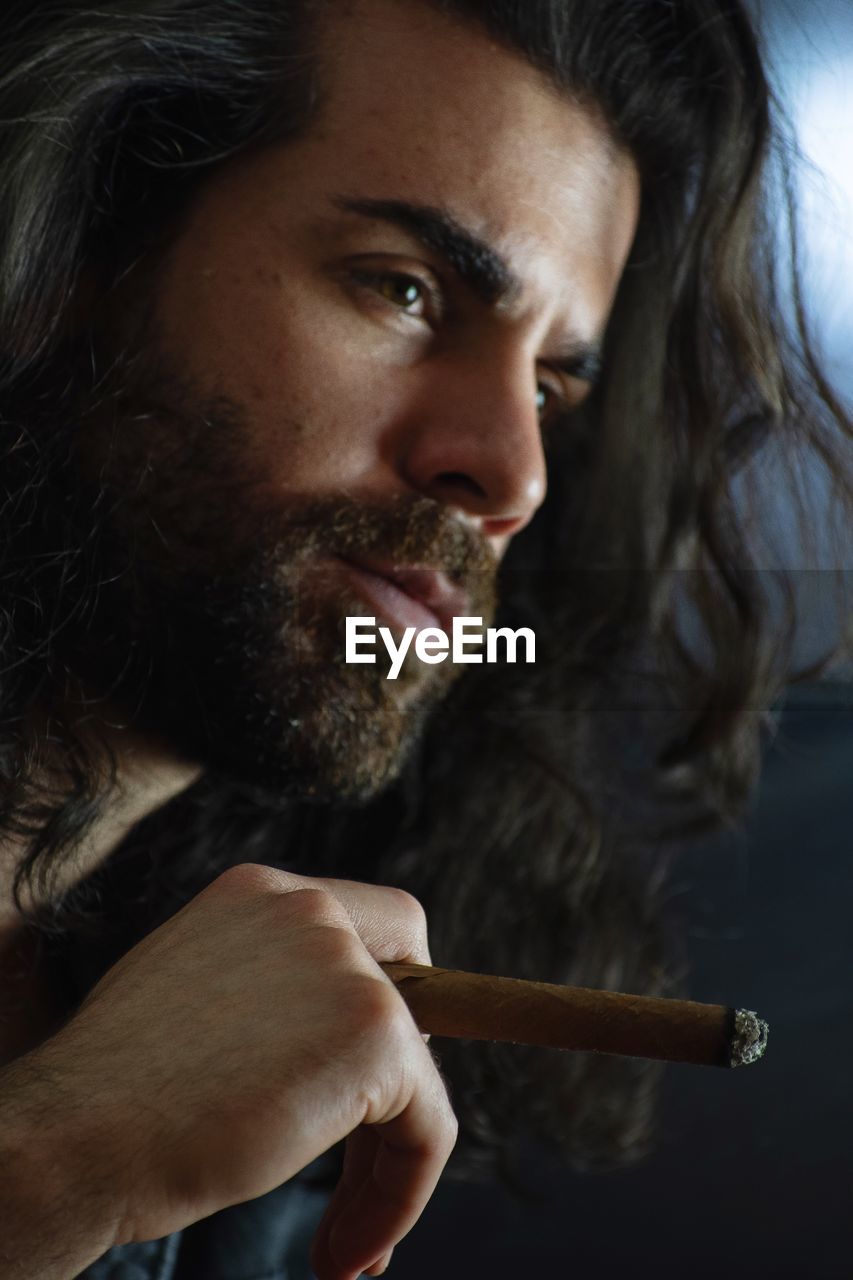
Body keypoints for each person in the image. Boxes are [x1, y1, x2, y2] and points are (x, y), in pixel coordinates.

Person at [0, 0, 849, 1277]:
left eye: (552, 389)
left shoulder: (257, 1110)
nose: (510, 474)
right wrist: (49, 1174)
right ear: (81, 248)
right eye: (404, 289)